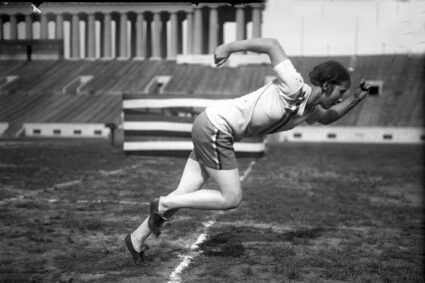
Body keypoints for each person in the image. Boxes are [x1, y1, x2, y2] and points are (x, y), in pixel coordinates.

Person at [124, 38, 370, 265]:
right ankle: (162, 203)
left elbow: (329, 118)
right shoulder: (295, 86)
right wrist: (229, 48)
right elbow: (271, 45)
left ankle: (136, 238)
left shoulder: (310, 110)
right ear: (326, 85)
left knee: (184, 193)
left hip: (211, 125)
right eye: (340, 93)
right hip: (216, 127)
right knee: (231, 197)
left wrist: (357, 99)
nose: (340, 99)